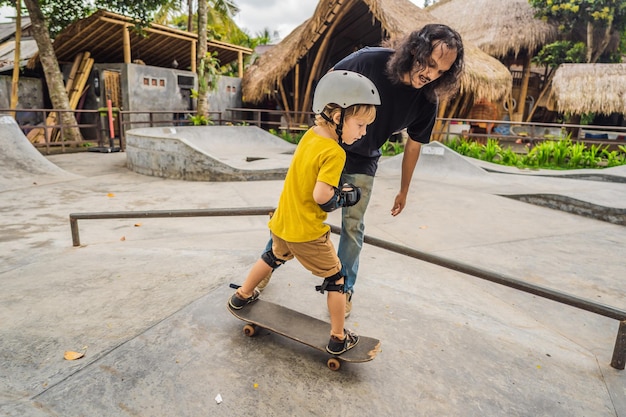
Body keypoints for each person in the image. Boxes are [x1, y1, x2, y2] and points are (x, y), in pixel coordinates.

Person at [257, 24, 465, 318]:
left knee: (353, 227)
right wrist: (322, 135)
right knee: (296, 211)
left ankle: (343, 289)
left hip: (363, 161)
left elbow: (414, 145)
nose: (430, 74)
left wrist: (404, 189)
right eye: (429, 63)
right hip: (329, 149)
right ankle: (268, 262)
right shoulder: (369, 61)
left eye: (441, 71)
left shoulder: (427, 99)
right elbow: (328, 82)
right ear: (415, 50)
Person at [229, 70, 380, 355]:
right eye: (360, 125)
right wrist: (343, 198)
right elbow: (322, 196)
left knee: (272, 256)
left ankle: (242, 295)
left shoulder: (310, 136)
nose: (363, 133)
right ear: (338, 117)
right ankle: (338, 337)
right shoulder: (335, 152)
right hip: (307, 232)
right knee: (336, 278)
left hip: (283, 220)